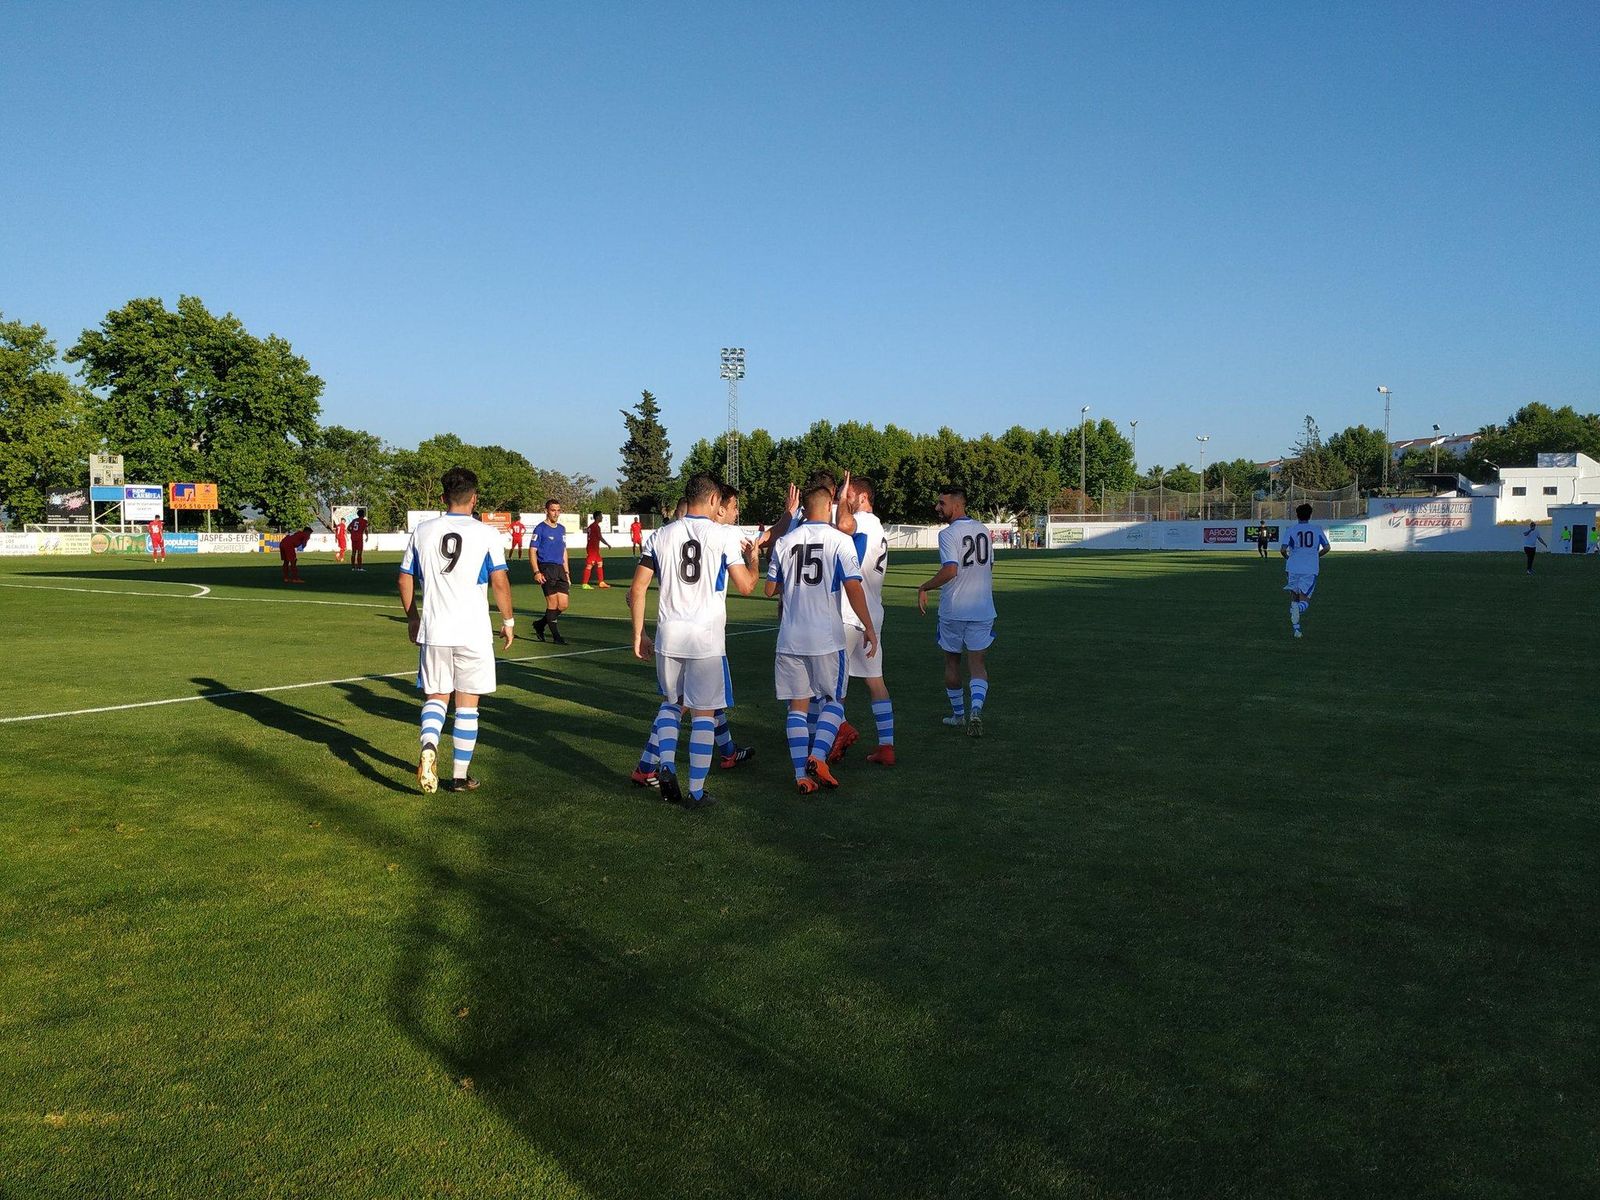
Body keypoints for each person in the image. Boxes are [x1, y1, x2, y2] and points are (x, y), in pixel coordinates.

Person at [629, 474, 759, 808]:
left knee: (673, 704)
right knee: (703, 713)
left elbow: (638, 589)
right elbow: (745, 586)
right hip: (705, 638)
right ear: (715, 500)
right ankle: (696, 792)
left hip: (669, 634)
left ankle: (666, 764)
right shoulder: (723, 536)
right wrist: (755, 561)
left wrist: (639, 633)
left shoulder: (660, 535)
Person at [398, 467, 515, 794]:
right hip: (474, 631)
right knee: (467, 704)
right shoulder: (487, 534)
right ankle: (460, 778)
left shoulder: (422, 531)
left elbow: (404, 577)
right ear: (474, 499)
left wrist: (412, 617)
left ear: (442, 498)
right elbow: (500, 581)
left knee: (436, 696)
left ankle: (429, 745)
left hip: (435, 629)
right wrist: (508, 621)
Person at [767, 483, 878, 793]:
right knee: (833, 702)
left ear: (803, 509)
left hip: (790, 637)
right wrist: (868, 627)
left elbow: (769, 589)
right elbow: (854, 587)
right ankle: (818, 756)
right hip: (826, 637)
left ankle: (801, 775)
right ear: (829, 506)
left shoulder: (786, 542)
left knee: (797, 709)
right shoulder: (839, 541)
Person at [917, 484, 995, 736]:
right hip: (982, 608)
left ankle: (959, 716)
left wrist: (925, 586)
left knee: (952, 662)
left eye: (942, 503)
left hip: (953, 609)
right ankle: (976, 710)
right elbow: (988, 566)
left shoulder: (948, 534)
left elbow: (951, 570)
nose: (937, 507)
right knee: (978, 664)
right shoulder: (984, 530)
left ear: (957, 505)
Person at [828, 477, 897, 766]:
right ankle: (886, 747)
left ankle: (836, 734)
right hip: (871, 613)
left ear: (863, 497)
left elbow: (844, 525)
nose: (846, 498)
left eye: (851, 494)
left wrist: (841, 500)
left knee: (834, 686)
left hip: (850, 612)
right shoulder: (876, 526)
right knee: (875, 681)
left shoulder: (866, 521)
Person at [1280, 502, 1331, 638]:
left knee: (1294, 598)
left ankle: (1297, 630)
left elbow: (1283, 550)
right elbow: (1327, 548)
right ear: (1310, 515)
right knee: (1304, 600)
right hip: (1309, 568)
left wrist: (1287, 559)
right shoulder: (1317, 529)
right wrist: (1316, 555)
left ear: (1297, 515)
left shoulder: (1290, 530)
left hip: (1292, 567)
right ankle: (1297, 621)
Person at [530, 500, 572, 643]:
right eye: (553, 510)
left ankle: (540, 624)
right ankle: (556, 637)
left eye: (558, 510)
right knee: (552, 604)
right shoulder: (540, 529)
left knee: (563, 605)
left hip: (560, 569)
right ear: (547, 511)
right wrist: (536, 571)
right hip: (546, 568)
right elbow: (532, 551)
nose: (556, 513)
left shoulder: (561, 529)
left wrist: (567, 572)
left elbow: (564, 551)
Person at [582, 512, 612, 589]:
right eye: (601, 516)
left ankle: (601, 582)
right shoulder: (595, 527)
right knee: (590, 565)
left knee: (600, 563)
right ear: (598, 517)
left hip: (594, 549)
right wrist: (607, 544)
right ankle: (584, 584)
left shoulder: (591, 526)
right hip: (592, 549)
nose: (602, 517)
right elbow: (600, 538)